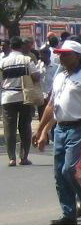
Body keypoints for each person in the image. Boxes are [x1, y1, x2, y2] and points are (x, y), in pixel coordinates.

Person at [33, 40, 81, 225]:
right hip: (61, 129)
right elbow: (51, 106)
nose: (61, 57)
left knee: (71, 169)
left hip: (80, 128)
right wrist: (40, 130)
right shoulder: (60, 77)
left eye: (66, 54)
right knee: (59, 172)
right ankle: (69, 213)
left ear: (77, 56)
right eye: (60, 54)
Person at [0, 36, 41, 166]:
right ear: (21, 46)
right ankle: (23, 157)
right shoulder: (26, 59)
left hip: (7, 97)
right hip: (25, 97)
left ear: (10, 46)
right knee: (25, 128)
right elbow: (35, 76)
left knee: (9, 129)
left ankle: (11, 158)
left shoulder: (3, 61)